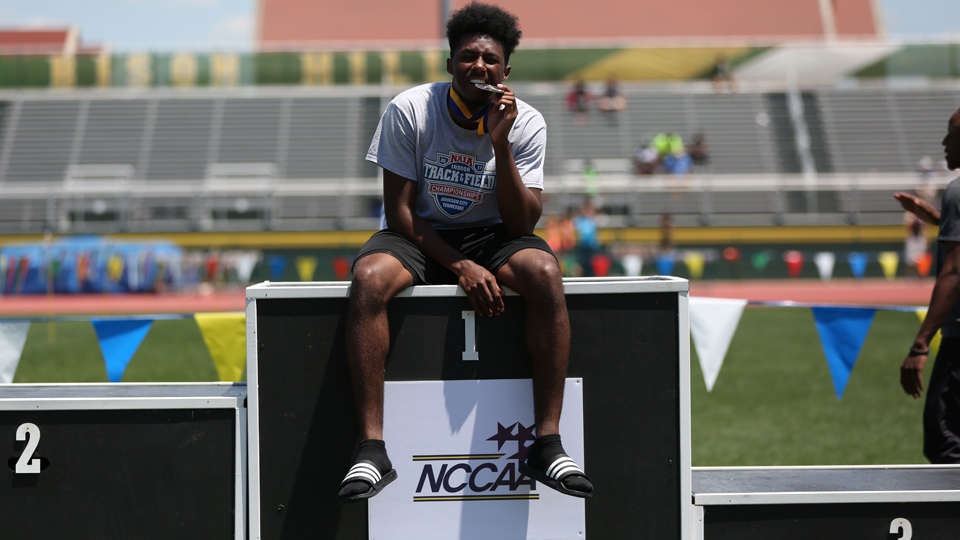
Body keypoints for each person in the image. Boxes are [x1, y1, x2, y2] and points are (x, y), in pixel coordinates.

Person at [339, 2, 593, 502]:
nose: (480, 66)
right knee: (369, 277)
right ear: (450, 63)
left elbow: (523, 223)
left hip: (494, 233)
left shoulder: (527, 123)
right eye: (468, 56)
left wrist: (499, 145)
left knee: (544, 271)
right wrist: (459, 266)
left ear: (506, 70)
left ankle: (548, 443)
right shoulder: (410, 109)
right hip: (420, 233)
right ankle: (371, 449)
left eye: (490, 59)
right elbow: (400, 212)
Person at [894, 107, 960, 464]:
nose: (944, 141)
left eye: (952, 133)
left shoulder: (957, 191)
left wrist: (921, 346)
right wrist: (938, 218)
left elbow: (954, 273)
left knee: (946, 447)